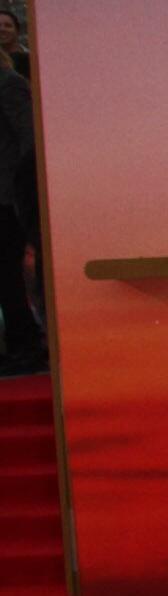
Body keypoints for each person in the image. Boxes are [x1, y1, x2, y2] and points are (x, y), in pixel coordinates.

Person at [0, 28, 40, 377]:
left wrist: (21, 194)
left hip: (8, 198)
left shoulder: (9, 83)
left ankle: (24, 342)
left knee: (9, 274)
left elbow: (28, 142)